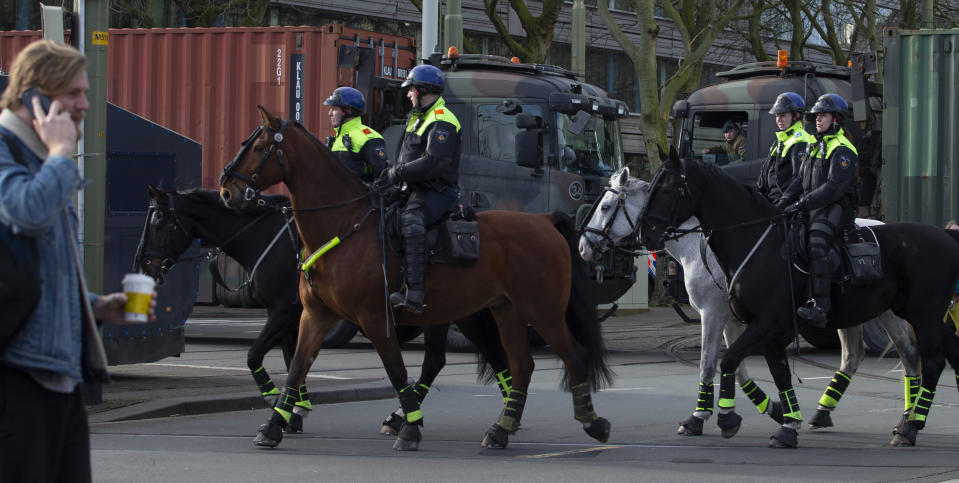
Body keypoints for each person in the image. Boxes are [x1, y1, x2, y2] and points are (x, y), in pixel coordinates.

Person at [0, 40, 156, 482]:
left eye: (84, 93)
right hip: (17, 378)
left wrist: (97, 305)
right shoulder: (12, 153)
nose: (85, 104)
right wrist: (60, 154)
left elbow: (36, 271)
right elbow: (25, 212)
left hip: (59, 379)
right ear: (35, 97)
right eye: (73, 94)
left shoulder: (39, 161)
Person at [379, 64, 461, 314]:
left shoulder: (443, 120)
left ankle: (414, 294)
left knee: (411, 220)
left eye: (411, 90)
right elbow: (406, 157)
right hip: (412, 189)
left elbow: (434, 163)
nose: (408, 95)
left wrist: (400, 172)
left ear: (423, 91)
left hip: (437, 192)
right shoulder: (418, 118)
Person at [778, 93, 859, 328]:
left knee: (816, 243)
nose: (817, 120)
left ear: (835, 119)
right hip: (813, 207)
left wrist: (801, 204)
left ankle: (821, 307)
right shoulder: (815, 143)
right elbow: (799, 180)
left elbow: (834, 188)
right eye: (816, 116)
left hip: (835, 208)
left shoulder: (843, 148)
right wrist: (783, 202)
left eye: (822, 115)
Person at [758, 92, 814, 207]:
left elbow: (798, 179)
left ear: (796, 116)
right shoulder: (780, 140)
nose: (779, 119)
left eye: (783, 115)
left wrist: (783, 203)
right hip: (769, 200)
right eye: (777, 115)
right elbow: (765, 175)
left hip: (784, 205)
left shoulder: (801, 141)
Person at [323, 86, 387, 181]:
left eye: (334, 109)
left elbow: (382, 177)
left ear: (348, 111)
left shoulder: (369, 137)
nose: (330, 113)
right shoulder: (337, 138)